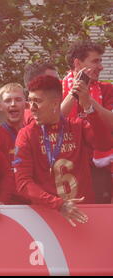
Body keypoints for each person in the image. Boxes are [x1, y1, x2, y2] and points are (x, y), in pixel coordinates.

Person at [14, 75, 112, 226]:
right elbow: (22, 183)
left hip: (83, 214)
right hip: (47, 217)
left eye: (37, 101)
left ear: (55, 103)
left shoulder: (78, 126)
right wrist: (59, 204)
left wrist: (89, 108)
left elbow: (104, 145)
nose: (31, 107)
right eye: (30, 100)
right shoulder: (26, 134)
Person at [61, 41, 113, 203]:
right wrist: (74, 93)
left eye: (101, 61)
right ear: (78, 63)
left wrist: (88, 100)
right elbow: (55, 119)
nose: (101, 67)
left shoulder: (107, 89)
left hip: (98, 166)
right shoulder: (58, 87)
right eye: (95, 61)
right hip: (65, 163)